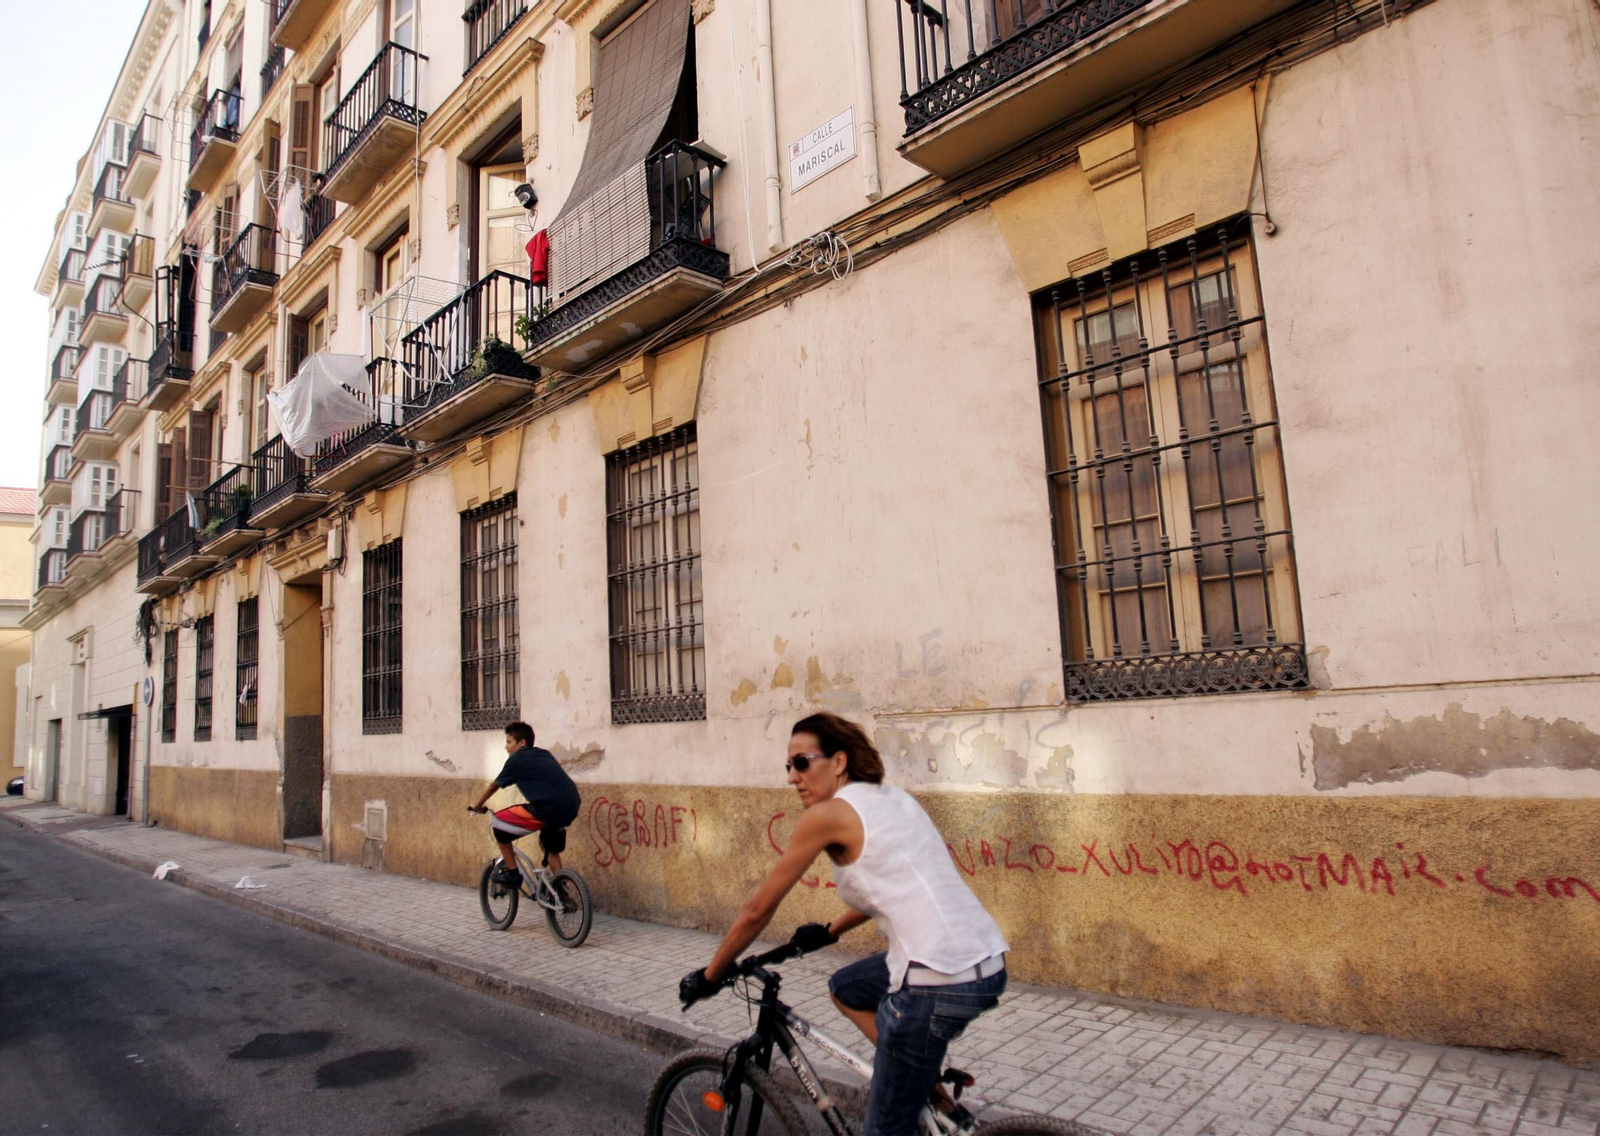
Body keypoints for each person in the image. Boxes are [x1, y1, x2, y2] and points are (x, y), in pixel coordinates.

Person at [680, 711, 1009, 1136]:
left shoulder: (827, 815)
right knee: (848, 988)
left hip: (938, 979)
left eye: (802, 763)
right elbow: (893, 885)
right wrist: (831, 931)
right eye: (788, 766)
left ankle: (907, 1083)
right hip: (984, 959)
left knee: (883, 1128)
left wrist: (711, 975)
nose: (791, 777)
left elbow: (757, 910)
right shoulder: (894, 799)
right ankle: (920, 1082)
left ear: (838, 762)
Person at [469, 722, 581, 888]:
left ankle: (513, 873)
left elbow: (494, 786)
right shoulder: (544, 754)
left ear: (522, 743)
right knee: (549, 846)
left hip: (546, 808)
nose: (506, 747)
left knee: (498, 824)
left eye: (509, 742)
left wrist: (477, 805)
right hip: (571, 805)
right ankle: (560, 888)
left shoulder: (516, 760)